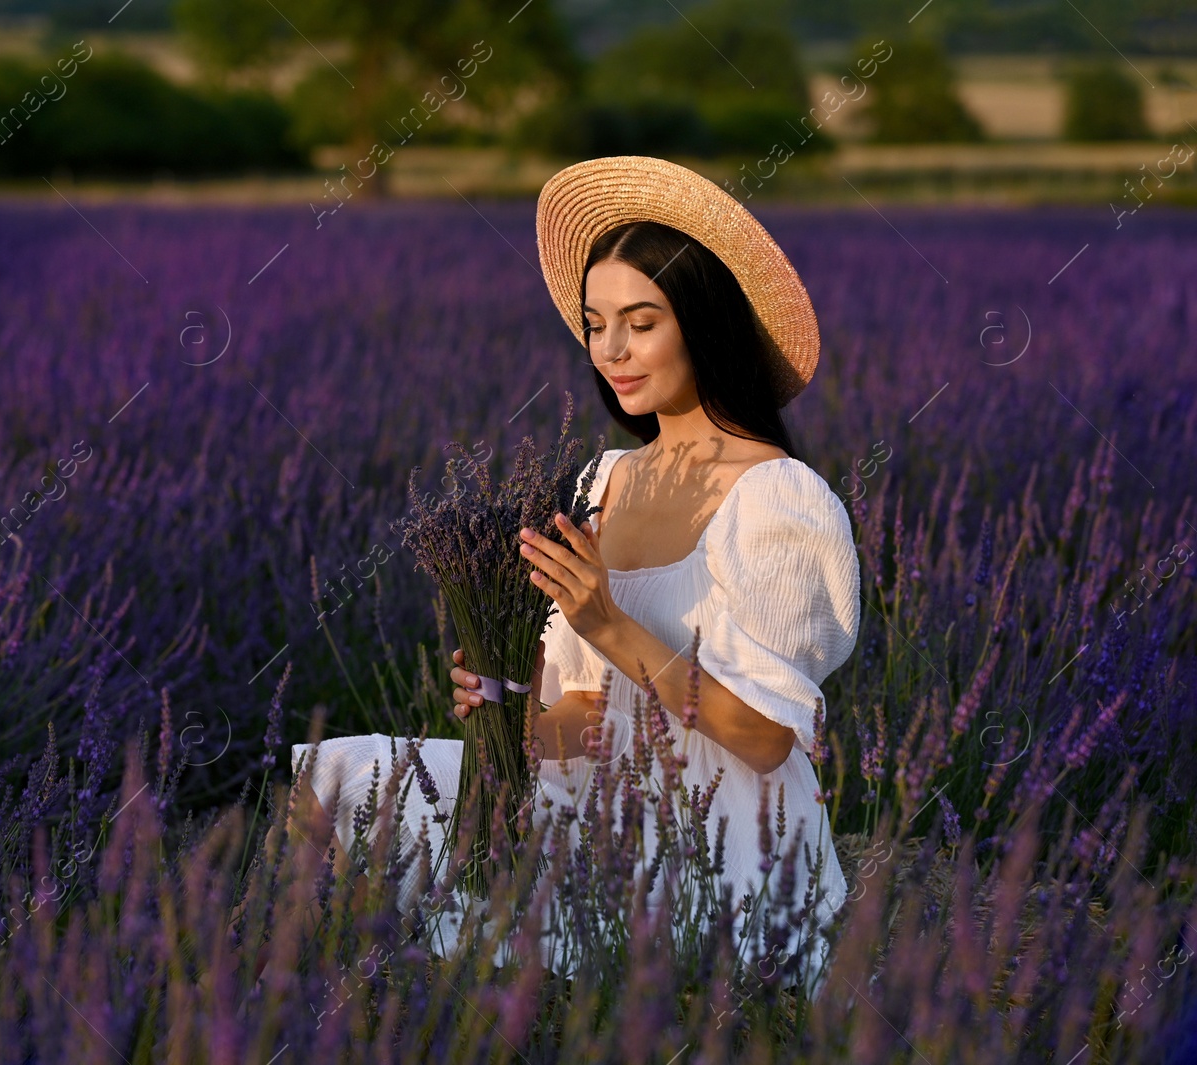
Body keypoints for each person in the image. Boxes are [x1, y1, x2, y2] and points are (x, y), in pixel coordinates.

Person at [274, 156, 859, 993]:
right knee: (339, 776)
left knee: (491, 942)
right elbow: (592, 717)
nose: (611, 350)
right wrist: (507, 715)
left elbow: (766, 739)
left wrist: (611, 624)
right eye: (596, 322)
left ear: (704, 322)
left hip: (718, 837)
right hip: (586, 795)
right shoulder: (603, 478)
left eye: (642, 321)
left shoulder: (779, 501)